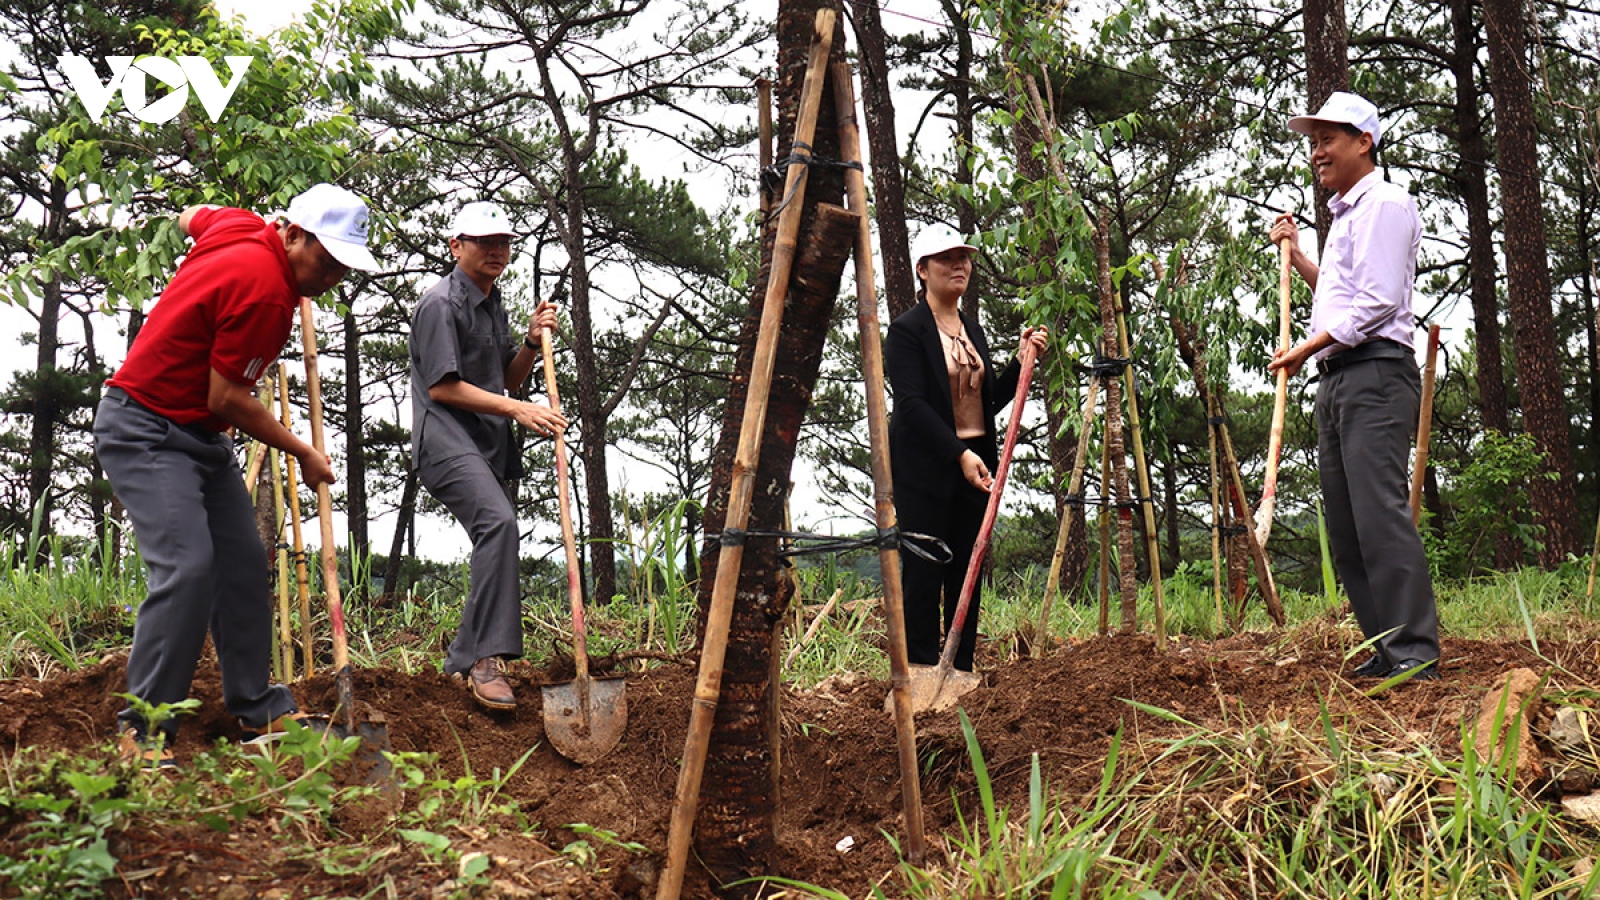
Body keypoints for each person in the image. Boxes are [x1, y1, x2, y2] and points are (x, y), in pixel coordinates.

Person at [95, 183, 381, 769]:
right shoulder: (267, 296)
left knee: (244, 564)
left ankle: (256, 705)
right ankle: (143, 731)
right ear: (293, 234)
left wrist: (196, 293)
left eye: (342, 269)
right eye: (324, 262)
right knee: (186, 568)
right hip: (146, 429)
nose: (329, 279)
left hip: (198, 438)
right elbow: (226, 397)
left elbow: (188, 216)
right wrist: (302, 451)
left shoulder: (241, 225)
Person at [1268, 91, 1440, 681]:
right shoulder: (1345, 215)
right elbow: (1339, 297)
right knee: (1345, 527)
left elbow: (1379, 302)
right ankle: (1387, 650)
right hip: (1338, 378)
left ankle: (1416, 654)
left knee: (1378, 515)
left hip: (1375, 373)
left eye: (1327, 140)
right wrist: (1299, 262)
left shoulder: (1386, 204)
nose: (1317, 152)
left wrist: (1302, 349)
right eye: (1312, 143)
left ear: (1363, 142)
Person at [409, 200, 567, 711]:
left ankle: (468, 656)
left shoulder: (492, 303)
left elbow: (507, 379)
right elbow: (444, 388)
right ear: (457, 246)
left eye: (503, 242)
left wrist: (528, 341)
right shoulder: (440, 304)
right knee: (500, 523)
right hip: (445, 439)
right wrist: (519, 410)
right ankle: (483, 661)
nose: (497, 250)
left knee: (497, 528)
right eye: (484, 242)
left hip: (482, 445)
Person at [885, 224, 1048, 672]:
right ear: (923, 270)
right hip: (929, 469)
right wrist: (957, 453)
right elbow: (912, 405)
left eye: (964, 258)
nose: (960, 266)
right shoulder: (906, 331)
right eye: (947, 259)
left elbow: (986, 402)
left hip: (975, 468)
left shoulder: (970, 329)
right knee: (924, 569)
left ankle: (960, 668)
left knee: (967, 573)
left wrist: (1019, 361)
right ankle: (919, 671)